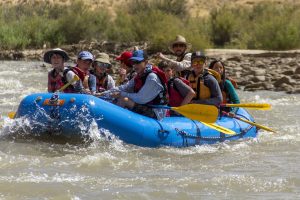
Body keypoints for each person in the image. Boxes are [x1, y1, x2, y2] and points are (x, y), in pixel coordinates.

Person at [107, 50, 168, 119]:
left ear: (146, 62)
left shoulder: (152, 77)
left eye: (138, 62)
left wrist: (121, 94)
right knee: (118, 98)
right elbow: (124, 87)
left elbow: (140, 99)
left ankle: (113, 119)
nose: (135, 65)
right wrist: (104, 93)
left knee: (124, 99)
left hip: (156, 112)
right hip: (146, 106)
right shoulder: (139, 75)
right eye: (133, 62)